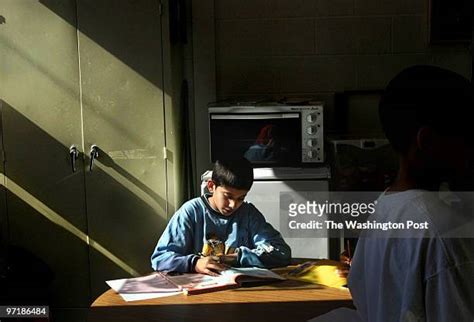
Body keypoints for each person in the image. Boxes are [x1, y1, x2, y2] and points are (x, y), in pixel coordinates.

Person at [313, 65, 474, 322]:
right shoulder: (443, 229)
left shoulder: (387, 205)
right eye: (468, 139)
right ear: (427, 142)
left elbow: (362, 294)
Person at [151, 158, 291, 276]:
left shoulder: (248, 214)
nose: (233, 204)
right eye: (228, 196)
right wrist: (195, 263)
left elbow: (281, 252)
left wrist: (236, 258)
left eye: (241, 198)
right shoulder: (191, 212)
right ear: (211, 186)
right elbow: (160, 258)